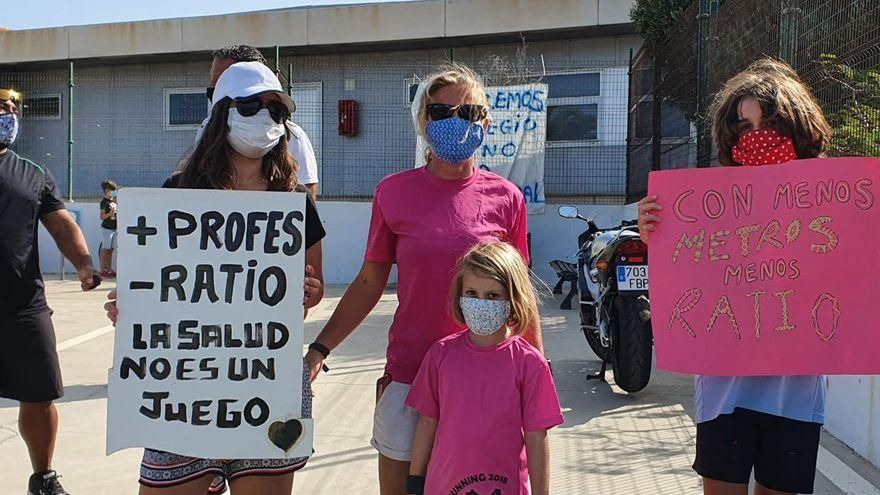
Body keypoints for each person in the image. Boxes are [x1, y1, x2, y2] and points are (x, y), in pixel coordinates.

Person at [305, 62, 544, 495]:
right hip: (410, 374)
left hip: (485, 380)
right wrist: (320, 348)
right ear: (422, 122)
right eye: (440, 112)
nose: (455, 122)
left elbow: (520, 296)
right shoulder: (393, 193)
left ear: (485, 122)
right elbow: (368, 282)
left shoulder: (507, 198)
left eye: (468, 113)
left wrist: (535, 373)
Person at [104, 61, 325, 495]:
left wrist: (310, 291)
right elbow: (154, 280)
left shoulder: (294, 203)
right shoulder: (177, 193)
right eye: (251, 105)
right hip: (184, 386)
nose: (265, 117)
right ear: (222, 111)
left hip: (267, 380)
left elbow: (308, 289)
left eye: (276, 110)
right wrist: (131, 305)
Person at [638, 58, 832, 495]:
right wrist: (659, 237)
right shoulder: (710, 208)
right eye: (744, 128)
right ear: (729, 137)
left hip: (795, 395)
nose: (758, 138)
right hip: (726, 393)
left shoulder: (831, 198)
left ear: (798, 128)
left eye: (769, 125)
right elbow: (687, 280)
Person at [0, 86, 101, 495]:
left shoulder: (33, 173)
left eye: (12, 108)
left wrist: (85, 265)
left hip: (25, 306)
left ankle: (42, 476)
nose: (7, 113)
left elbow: (61, 226)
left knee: (40, 396)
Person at [406, 242, 563, 495]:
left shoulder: (530, 363)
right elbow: (427, 422)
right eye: (471, 293)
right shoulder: (440, 355)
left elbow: (536, 437)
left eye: (492, 296)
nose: (481, 304)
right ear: (460, 295)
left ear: (513, 299)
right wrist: (415, 479)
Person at [197, 44, 320, 199]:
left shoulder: (293, 136)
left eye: (275, 109)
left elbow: (307, 190)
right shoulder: (182, 186)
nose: (215, 86)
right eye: (249, 105)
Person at [98, 179, 118, 278]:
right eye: (112, 190)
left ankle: (109, 270)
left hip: (114, 228)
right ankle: (102, 270)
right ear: (107, 191)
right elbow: (102, 216)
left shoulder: (114, 201)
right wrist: (110, 214)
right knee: (105, 249)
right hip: (107, 229)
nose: (114, 192)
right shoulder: (104, 202)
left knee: (111, 250)